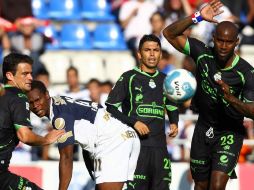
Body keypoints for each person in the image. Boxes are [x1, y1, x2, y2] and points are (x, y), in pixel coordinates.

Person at [163, 0, 254, 189]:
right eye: (220, 40)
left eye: (229, 42)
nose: (223, 46)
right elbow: (169, 34)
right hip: (203, 128)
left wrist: (231, 99)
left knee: (217, 186)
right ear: (214, 37)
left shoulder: (246, 73)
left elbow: (252, 111)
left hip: (229, 132)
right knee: (200, 186)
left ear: (236, 43)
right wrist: (197, 17)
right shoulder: (202, 53)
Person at [27, 80, 140, 190]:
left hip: (113, 141)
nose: (35, 105)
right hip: (126, 136)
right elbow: (87, 141)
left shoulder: (60, 116)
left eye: (38, 100)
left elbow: (66, 157)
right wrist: (93, 170)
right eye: (31, 103)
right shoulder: (60, 103)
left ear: (47, 94)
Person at [105, 34, 179, 190]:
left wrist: (174, 122)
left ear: (160, 54)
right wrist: (134, 122)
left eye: (156, 50)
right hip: (136, 147)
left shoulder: (167, 80)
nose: (152, 54)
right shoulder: (128, 78)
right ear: (139, 54)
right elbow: (111, 107)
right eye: (147, 50)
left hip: (160, 149)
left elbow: (171, 105)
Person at [0, 52, 64, 189]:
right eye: (24, 74)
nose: (30, 78)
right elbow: (25, 136)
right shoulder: (18, 97)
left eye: (30, 73)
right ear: (10, 75)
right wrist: (46, 139)